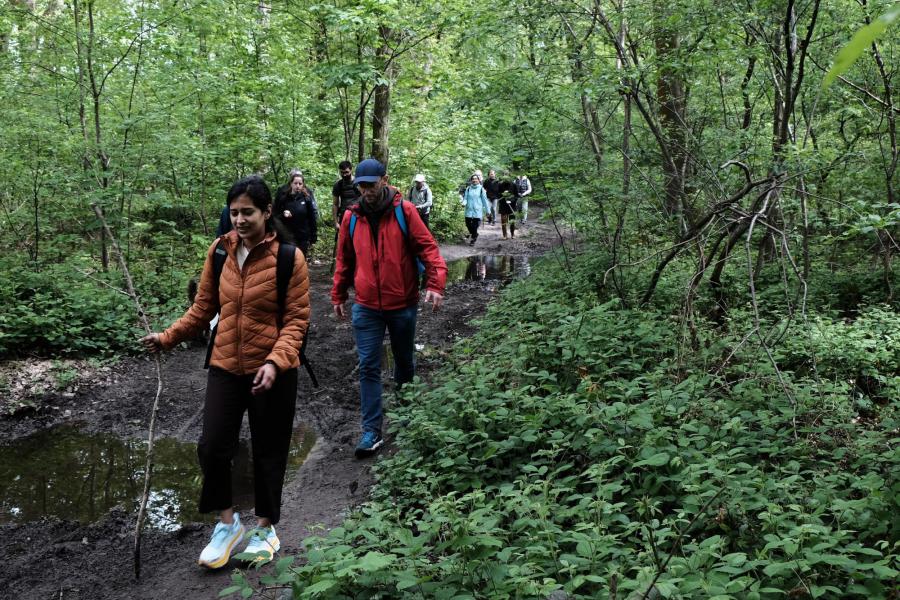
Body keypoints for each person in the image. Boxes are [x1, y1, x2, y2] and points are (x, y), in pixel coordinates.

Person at [142, 175, 310, 569]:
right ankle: (227, 523)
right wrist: (167, 338)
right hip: (224, 365)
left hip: (274, 371)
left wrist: (275, 361)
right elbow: (203, 308)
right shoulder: (219, 252)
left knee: (269, 450)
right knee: (212, 446)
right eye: (233, 212)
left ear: (267, 212)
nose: (239, 219)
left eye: (247, 212)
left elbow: (297, 322)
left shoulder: (289, 257)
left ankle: (266, 529)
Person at [331, 158, 447, 458]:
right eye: (362, 185)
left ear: (385, 180)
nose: (366, 190)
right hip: (366, 306)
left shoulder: (404, 211)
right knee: (368, 366)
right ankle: (371, 430)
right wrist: (338, 293)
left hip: (402, 303)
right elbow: (344, 258)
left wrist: (435, 284)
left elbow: (428, 248)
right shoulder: (352, 217)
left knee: (404, 362)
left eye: (371, 183)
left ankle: (407, 416)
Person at [275, 172, 318, 257]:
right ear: (291, 184)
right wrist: (283, 214)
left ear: (303, 185)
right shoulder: (284, 198)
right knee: (287, 261)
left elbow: (312, 218)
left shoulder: (307, 199)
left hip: (302, 236)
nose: (297, 186)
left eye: (300, 184)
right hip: (287, 236)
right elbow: (275, 216)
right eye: (295, 183)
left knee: (300, 261)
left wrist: (313, 236)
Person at [460, 174, 491, 246]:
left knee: (474, 226)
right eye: (473, 179)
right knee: (468, 225)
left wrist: (488, 211)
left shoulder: (481, 189)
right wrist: (463, 203)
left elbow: (485, 201)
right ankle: (475, 234)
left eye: (476, 179)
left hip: (477, 211)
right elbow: (465, 198)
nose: (474, 180)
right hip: (469, 210)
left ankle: (473, 239)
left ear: (478, 180)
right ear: (471, 180)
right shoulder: (468, 188)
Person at [331, 160, 360, 228]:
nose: (344, 175)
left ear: (351, 170)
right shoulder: (338, 185)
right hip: (344, 216)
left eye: (346, 172)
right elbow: (335, 204)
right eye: (342, 172)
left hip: (357, 216)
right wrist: (335, 222)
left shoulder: (358, 183)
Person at [498, 175, 518, 239]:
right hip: (503, 205)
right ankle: (504, 235)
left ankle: (512, 234)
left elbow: (516, 195)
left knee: (512, 220)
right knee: (503, 220)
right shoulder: (500, 184)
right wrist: (503, 195)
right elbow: (497, 194)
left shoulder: (513, 184)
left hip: (512, 205)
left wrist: (511, 200)